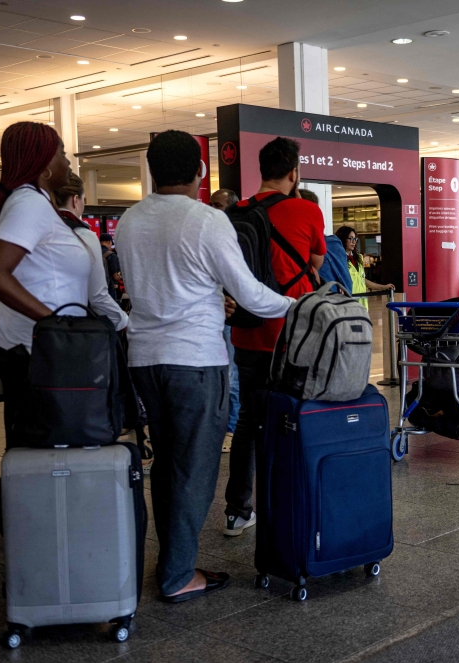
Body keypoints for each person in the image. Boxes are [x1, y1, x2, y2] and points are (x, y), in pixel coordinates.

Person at [115, 130, 294, 602]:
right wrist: (300, 303)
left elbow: (161, 284)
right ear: (200, 171)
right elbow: (251, 293)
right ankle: (177, 576)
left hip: (145, 359)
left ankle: (171, 562)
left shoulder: (129, 221)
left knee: (168, 464)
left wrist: (213, 299)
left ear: (152, 170)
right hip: (195, 360)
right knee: (194, 469)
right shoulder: (207, 220)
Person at [0, 121, 130, 528]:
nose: (68, 160)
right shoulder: (28, 202)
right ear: (44, 165)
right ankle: (32, 523)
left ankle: (27, 515)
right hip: (33, 349)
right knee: (38, 444)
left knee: (35, 443)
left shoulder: (35, 202)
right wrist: (55, 323)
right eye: (62, 153)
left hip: (35, 349)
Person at [227, 137, 325, 538]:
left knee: (249, 422)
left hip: (247, 333)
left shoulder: (236, 212)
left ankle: (237, 510)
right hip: (293, 335)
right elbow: (315, 262)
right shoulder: (306, 210)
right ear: (293, 172)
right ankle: (289, 500)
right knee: (295, 417)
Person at [54, 173, 130, 332]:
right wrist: (123, 321)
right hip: (69, 327)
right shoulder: (84, 236)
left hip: (26, 327)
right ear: (76, 200)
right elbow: (97, 297)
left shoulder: (34, 227)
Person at [208, 188, 241, 451]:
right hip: (210, 318)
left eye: (218, 205)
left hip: (231, 316)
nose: (212, 209)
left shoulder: (237, 238)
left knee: (231, 375)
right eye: (211, 204)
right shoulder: (208, 237)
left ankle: (231, 428)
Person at [335, 225, 395, 307]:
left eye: (355, 239)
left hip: (362, 304)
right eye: (351, 238)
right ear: (343, 239)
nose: (354, 242)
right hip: (347, 304)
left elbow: (362, 280)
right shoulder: (338, 259)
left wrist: (383, 287)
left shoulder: (359, 258)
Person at [99, 233, 122, 302]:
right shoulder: (111, 255)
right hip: (109, 288)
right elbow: (115, 276)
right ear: (109, 242)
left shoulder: (95, 252)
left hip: (97, 288)